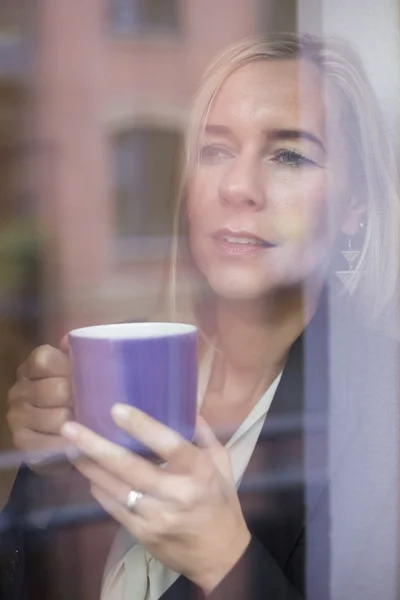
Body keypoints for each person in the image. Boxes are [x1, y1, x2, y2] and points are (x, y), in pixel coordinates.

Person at [1, 33, 399, 600]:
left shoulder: (385, 411)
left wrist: (226, 561)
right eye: (215, 150)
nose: (238, 187)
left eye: (289, 154)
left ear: (355, 205)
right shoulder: (139, 374)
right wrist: (47, 472)